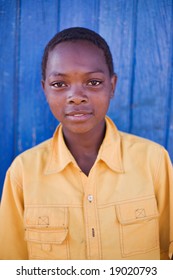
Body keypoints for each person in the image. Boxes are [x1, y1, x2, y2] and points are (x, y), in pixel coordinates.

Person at [0, 27, 172, 260]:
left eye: (93, 82)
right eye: (60, 84)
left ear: (112, 86)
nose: (76, 96)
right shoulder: (23, 172)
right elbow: (11, 264)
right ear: (45, 90)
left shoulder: (154, 161)